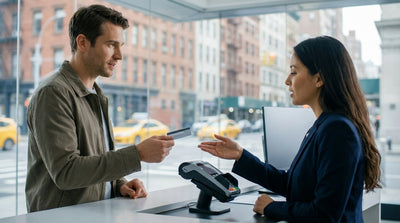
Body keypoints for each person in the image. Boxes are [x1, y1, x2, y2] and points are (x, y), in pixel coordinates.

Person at [198, 36, 381, 222]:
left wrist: (271, 207)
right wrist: (241, 155)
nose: (287, 80)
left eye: (294, 72)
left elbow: (324, 215)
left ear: (319, 79)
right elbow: (291, 184)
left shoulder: (337, 130)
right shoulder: (324, 125)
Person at [25, 4, 175, 212]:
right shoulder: (53, 93)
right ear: (83, 42)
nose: (120, 55)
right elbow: (66, 172)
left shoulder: (95, 94)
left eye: (120, 45)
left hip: (92, 214)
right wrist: (137, 154)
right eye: (111, 45)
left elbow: (93, 159)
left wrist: (119, 183)